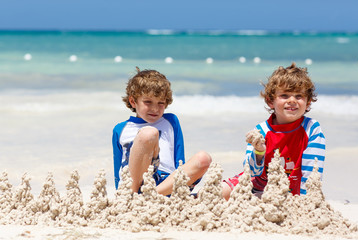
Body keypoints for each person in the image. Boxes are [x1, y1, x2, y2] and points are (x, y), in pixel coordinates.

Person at [222, 62, 326, 200]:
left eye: (299, 96)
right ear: (270, 101)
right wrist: (259, 151)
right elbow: (251, 172)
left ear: (307, 102)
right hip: (257, 184)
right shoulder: (261, 131)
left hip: (290, 190)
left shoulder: (311, 128)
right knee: (220, 192)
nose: (292, 100)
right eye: (284, 95)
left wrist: (305, 200)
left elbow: (312, 172)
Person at [112, 67, 212, 196]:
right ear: (133, 101)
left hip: (168, 184)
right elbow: (117, 170)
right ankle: (133, 197)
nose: (155, 109)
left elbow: (179, 161)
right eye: (148, 102)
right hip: (137, 185)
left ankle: (151, 197)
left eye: (161, 103)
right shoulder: (120, 129)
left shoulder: (171, 121)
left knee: (203, 158)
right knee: (148, 134)